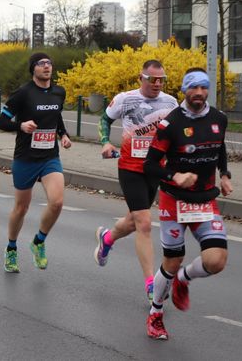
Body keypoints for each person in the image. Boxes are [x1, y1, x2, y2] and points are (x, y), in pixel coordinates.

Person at [142, 68, 233, 340]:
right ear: (184, 90)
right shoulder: (170, 123)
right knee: (173, 259)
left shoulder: (219, 118)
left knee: (216, 261)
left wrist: (225, 175)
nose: (199, 93)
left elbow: (220, 148)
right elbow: (149, 165)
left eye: (204, 88)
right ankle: (155, 314)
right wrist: (174, 175)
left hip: (205, 199)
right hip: (174, 198)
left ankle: (183, 279)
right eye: (194, 88)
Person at [94, 59, 178, 301]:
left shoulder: (170, 102)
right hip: (130, 167)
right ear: (141, 78)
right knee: (143, 222)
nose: (158, 84)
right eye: (153, 79)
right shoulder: (125, 99)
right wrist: (105, 142)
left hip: (155, 168)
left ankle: (107, 238)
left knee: (133, 220)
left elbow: (175, 132)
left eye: (162, 80)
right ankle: (152, 284)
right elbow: (104, 120)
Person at [0, 53, 72, 272]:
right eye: (41, 64)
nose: (47, 67)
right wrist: (20, 125)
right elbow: (1, 121)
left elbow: (56, 116)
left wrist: (63, 134)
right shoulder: (23, 93)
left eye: (49, 63)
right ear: (33, 69)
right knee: (21, 208)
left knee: (57, 202)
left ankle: (38, 241)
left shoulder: (59, 92)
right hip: (26, 158)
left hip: (50, 157)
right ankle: (11, 248)